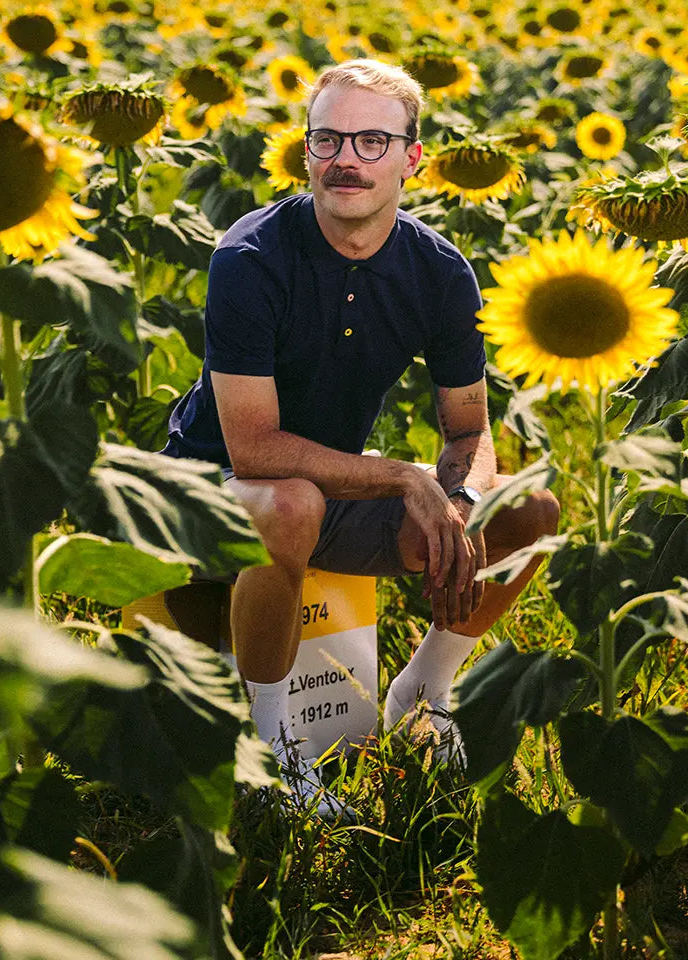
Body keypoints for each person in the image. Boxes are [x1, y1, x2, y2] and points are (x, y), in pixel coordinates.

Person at [163, 59, 559, 817]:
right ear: (307, 151)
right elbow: (253, 451)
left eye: (373, 141)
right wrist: (407, 478)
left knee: (529, 511)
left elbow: (469, 428)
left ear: (413, 158)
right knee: (289, 502)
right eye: (328, 139)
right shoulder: (250, 259)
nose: (346, 159)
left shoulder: (440, 272)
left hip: (331, 491)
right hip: (208, 494)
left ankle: (425, 692)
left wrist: (461, 503)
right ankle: (271, 749)